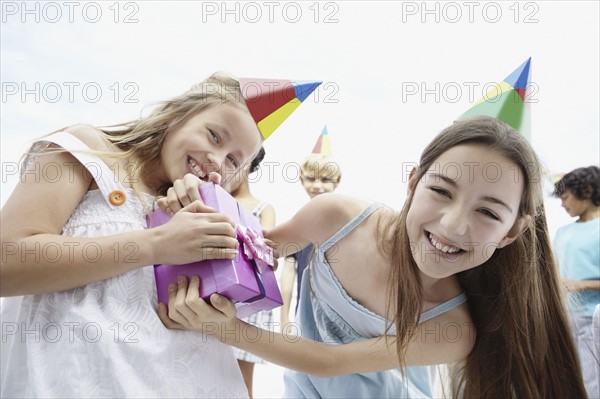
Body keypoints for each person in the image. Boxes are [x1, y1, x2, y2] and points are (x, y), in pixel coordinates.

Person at [159, 116, 586, 398]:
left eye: (488, 212)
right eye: (441, 190)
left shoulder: (455, 327)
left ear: (513, 232)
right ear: (413, 181)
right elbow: (255, 250)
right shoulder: (337, 217)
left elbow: (331, 363)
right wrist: (198, 204)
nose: (454, 225)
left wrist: (227, 330)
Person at [0, 72, 318, 398]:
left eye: (233, 160)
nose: (217, 161)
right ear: (180, 113)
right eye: (214, 136)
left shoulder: (200, 215)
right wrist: (158, 245)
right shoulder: (91, 150)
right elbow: (7, 261)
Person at [228, 146, 276, 398]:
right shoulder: (212, 197)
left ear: (246, 166)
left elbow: (264, 248)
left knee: (243, 380)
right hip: (218, 291)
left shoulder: (263, 208)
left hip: (247, 297)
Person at [279, 148, 342, 330]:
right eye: (310, 178)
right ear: (301, 180)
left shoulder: (344, 222)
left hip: (338, 318)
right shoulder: (298, 224)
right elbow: (288, 271)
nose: (317, 185)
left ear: (336, 183)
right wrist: (284, 318)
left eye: (324, 179)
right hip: (305, 315)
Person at [552, 165, 600, 398]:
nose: (562, 204)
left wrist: (583, 284)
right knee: (567, 377)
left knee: (593, 381)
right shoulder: (562, 232)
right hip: (565, 316)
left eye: (566, 197)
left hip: (593, 318)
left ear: (588, 191)